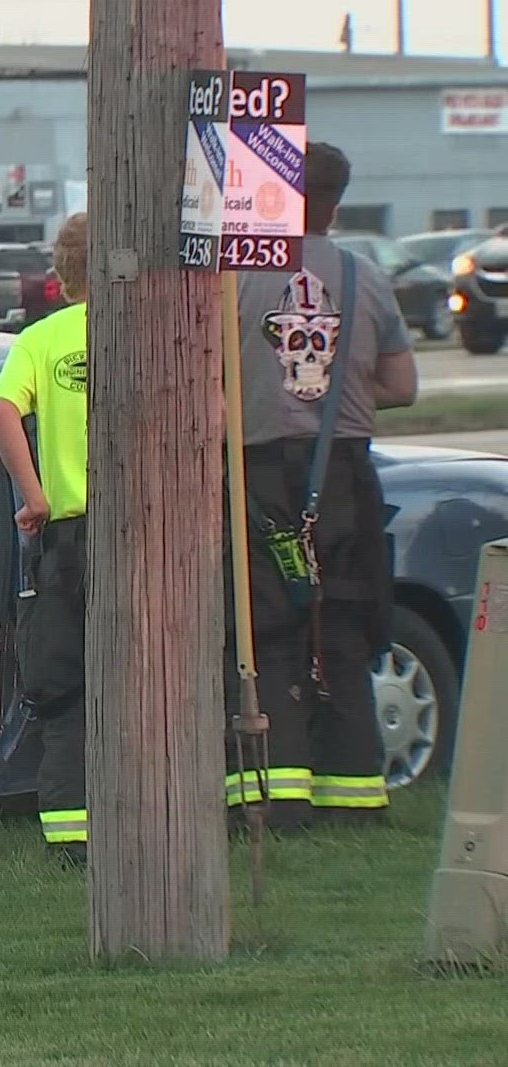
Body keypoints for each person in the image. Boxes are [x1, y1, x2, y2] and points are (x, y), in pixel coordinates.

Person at [231, 142, 417, 827]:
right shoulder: (363, 275)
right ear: (338, 202)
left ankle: (279, 797)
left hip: (260, 472)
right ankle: (357, 791)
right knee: (342, 619)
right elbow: (402, 384)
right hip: (340, 473)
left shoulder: (237, 279)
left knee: (270, 626)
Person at [0, 212, 91, 862]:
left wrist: (34, 497)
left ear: (59, 274)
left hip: (71, 536)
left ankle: (74, 838)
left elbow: (2, 411)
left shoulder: (40, 339)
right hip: (144, 533)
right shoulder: (144, 328)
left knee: (68, 684)